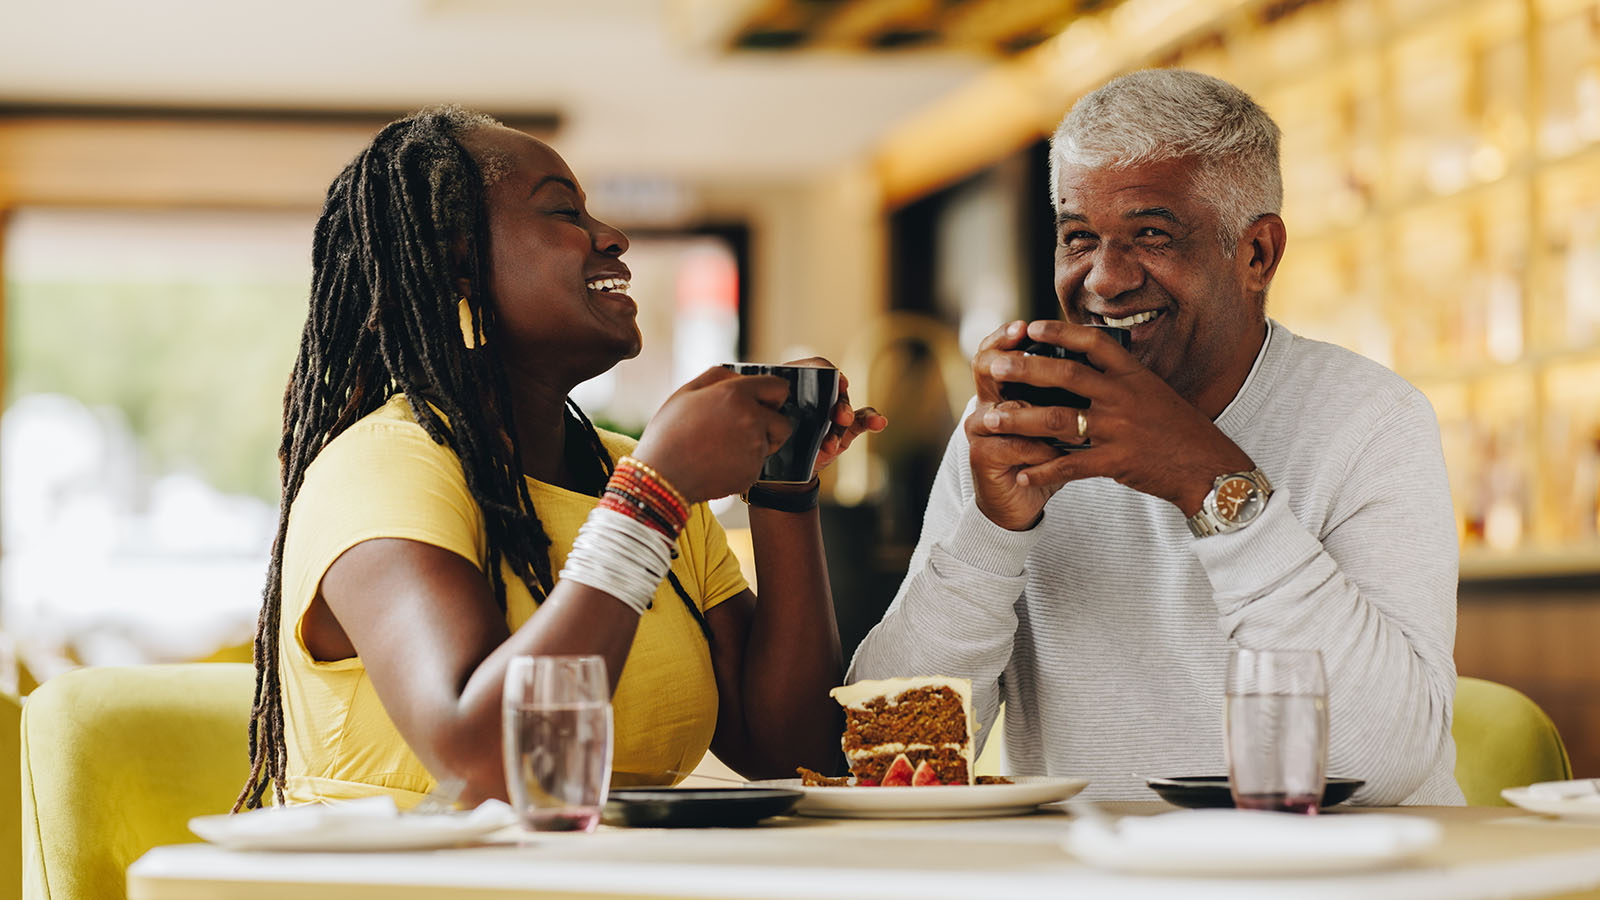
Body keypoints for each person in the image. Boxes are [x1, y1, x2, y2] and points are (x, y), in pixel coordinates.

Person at [235, 106, 884, 810]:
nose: (613, 236)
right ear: (459, 264)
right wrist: (651, 497)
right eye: (565, 213)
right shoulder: (385, 466)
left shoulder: (632, 474)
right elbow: (487, 767)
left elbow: (790, 752)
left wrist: (783, 485)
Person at [849, 69, 1462, 805]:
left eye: (1151, 236)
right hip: (1108, 878)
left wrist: (1208, 481)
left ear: (1257, 255)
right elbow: (889, 755)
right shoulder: (1017, 432)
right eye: (1079, 238)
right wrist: (991, 533)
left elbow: (1382, 763)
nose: (1103, 280)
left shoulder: (1371, 420)